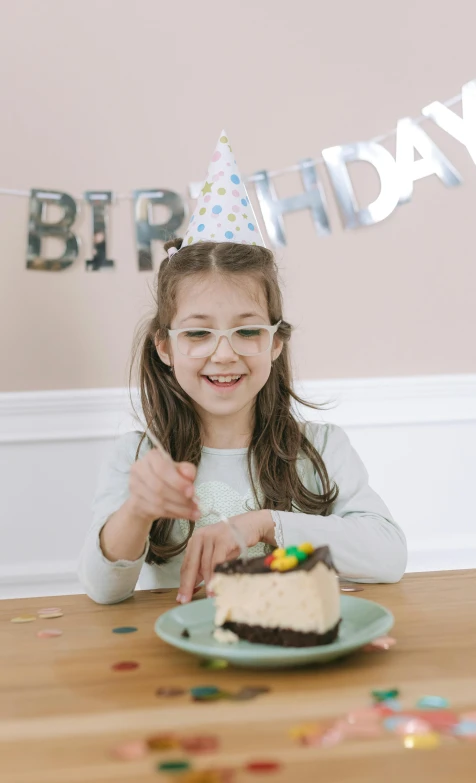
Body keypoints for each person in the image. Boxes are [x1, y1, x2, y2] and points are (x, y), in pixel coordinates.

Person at [78, 132, 407, 605]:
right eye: (197, 333)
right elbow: (102, 590)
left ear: (276, 343)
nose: (225, 354)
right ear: (164, 347)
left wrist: (263, 525)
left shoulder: (322, 448)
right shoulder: (138, 459)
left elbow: (389, 556)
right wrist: (138, 511)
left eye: (247, 331)